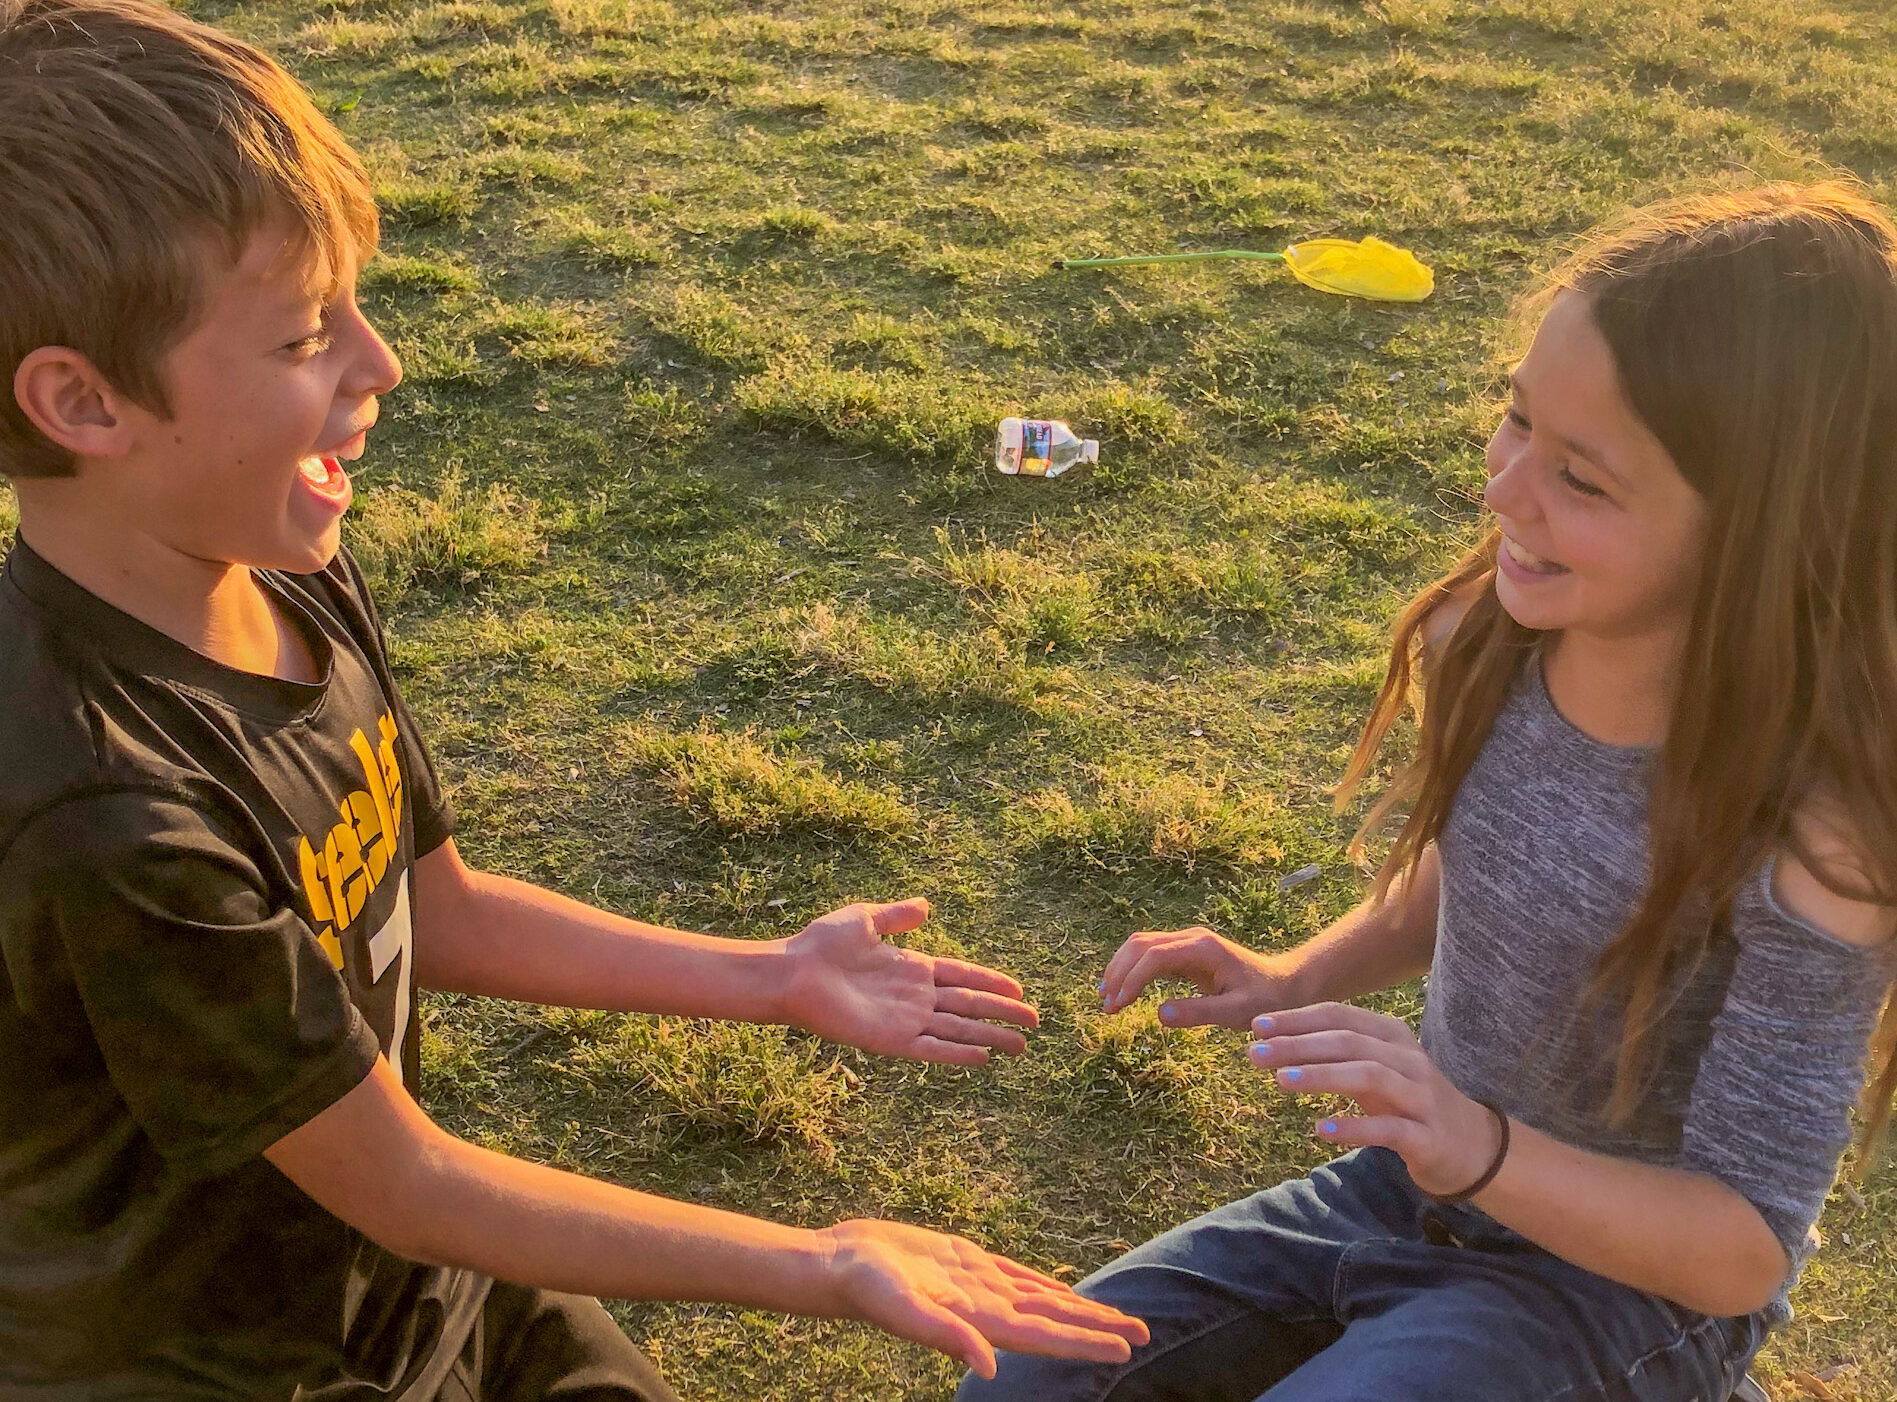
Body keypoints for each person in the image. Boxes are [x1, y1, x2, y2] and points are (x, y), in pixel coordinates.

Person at [0, 1, 1150, 1397]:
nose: (382, 363)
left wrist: (774, 976)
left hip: (426, 1301)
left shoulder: (283, 565)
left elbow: (444, 905)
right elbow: (407, 1177)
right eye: (309, 336)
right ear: (82, 403)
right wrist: (824, 1259)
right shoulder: (103, 812)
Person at [959, 181, 1897, 1402]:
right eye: (1515, 420)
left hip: (1617, 1295)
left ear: (1770, 530)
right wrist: (1296, 974)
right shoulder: (1491, 635)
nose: (1503, 491)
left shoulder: (1820, 838)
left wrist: (1477, 1144)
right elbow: (1475, 870)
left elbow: (1739, 1249)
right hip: (1401, 1190)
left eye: (1582, 478)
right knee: (1018, 1377)